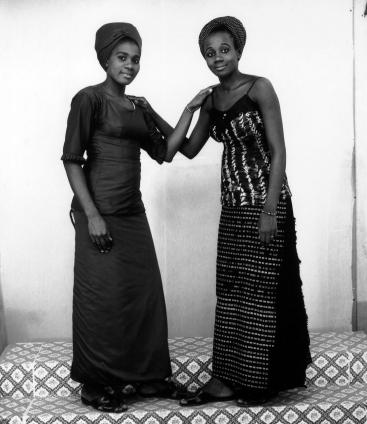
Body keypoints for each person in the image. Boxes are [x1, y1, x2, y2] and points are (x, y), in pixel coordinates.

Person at [62, 22, 210, 412]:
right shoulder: (88, 99)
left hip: (131, 213)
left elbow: (166, 151)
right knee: (101, 300)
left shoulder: (138, 106)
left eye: (136, 59)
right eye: (122, 58)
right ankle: (96, 384)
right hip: (100, 212)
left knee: (144, 296)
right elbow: (72, 161)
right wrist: (92, 214)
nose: (130, 65)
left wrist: (188, 110)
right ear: (106, 60)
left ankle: (146, 380)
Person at [164, 16, 312, 406]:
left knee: (262, 296)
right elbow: (188, 148)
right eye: (209, 54)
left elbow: (279, 150)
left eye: (224, 50)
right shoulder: (212, 99)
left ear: (238, 50)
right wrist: (191, 107)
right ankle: (226, 380)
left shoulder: (259, 88)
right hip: (232, 208)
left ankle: (261, 382)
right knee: (231, 294)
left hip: (266, 203)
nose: (218, 59)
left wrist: (269, 211)